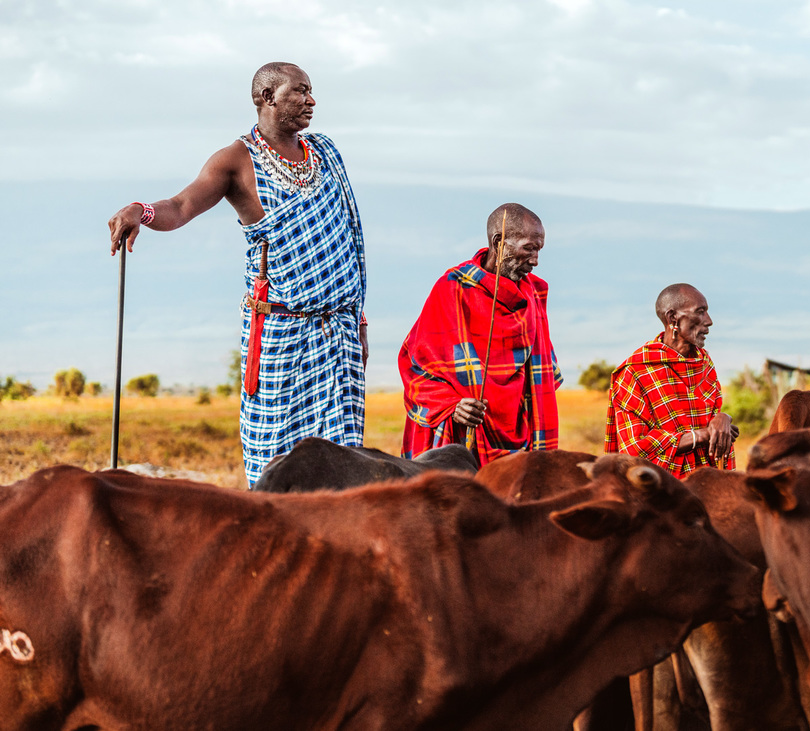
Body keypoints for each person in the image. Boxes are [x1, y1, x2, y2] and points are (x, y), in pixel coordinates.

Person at [106, 62, 367, 485]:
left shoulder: (327, 153)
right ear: (267, 98)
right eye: (300, 92)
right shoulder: (235, 161)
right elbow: (182, 206)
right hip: (282, 332)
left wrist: (360, 321)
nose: (311, 101)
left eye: (311, 91)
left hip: (338, 331)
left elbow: (349, 239)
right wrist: (143, 211)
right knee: (275, 461)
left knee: (343, 464)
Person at [398, 203, 561, 466]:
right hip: (460, 434)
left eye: (538, 250)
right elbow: (415, 366)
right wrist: (452, 405)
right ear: (499, 242)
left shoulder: (535, 294)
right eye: (528, 248)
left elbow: (540, 376)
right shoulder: (452, 289)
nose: (535, 260)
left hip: (517, 435)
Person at [605, 283, 737, 476]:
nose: (709, 321)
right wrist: (700, 436)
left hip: (707, 482)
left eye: (707, 312)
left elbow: (712, 423)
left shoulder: (704, 364)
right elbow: (634, 449)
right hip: (658, 489)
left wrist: (723, 419)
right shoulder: (636, 372)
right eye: (700, 312)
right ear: (672, 318)